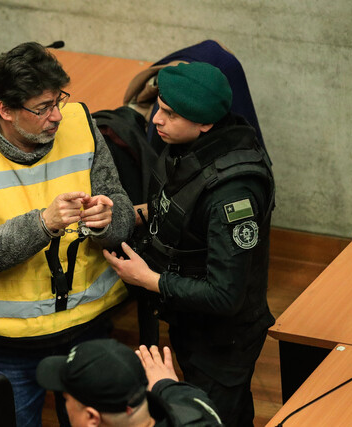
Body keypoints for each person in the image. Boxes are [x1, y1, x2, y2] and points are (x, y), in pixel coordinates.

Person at [0, 42, 134, 426]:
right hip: (9, 345)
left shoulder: (80, 124)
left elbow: (120, 216)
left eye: (58, 102)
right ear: (6, 110)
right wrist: (43, 224)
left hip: (89, 328)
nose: (56, 117)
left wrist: (107, 220)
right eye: (42, 108)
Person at [103, 62, 275, 426]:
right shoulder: (190, 145)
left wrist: (147, 279)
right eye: (159, 107)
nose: (156, 121)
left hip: (223, 340)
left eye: (170, 114)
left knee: (212, 416)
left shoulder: (233, 193)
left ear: (205, 123)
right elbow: (185, 206)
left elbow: (226, 296)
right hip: (190, 319)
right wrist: (137, 213)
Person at [36, 338, 223, 426]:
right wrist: (166, 385)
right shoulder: (197, 407)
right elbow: (185, 397)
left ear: (92, 418)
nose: (65, 404)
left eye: (66, 398)